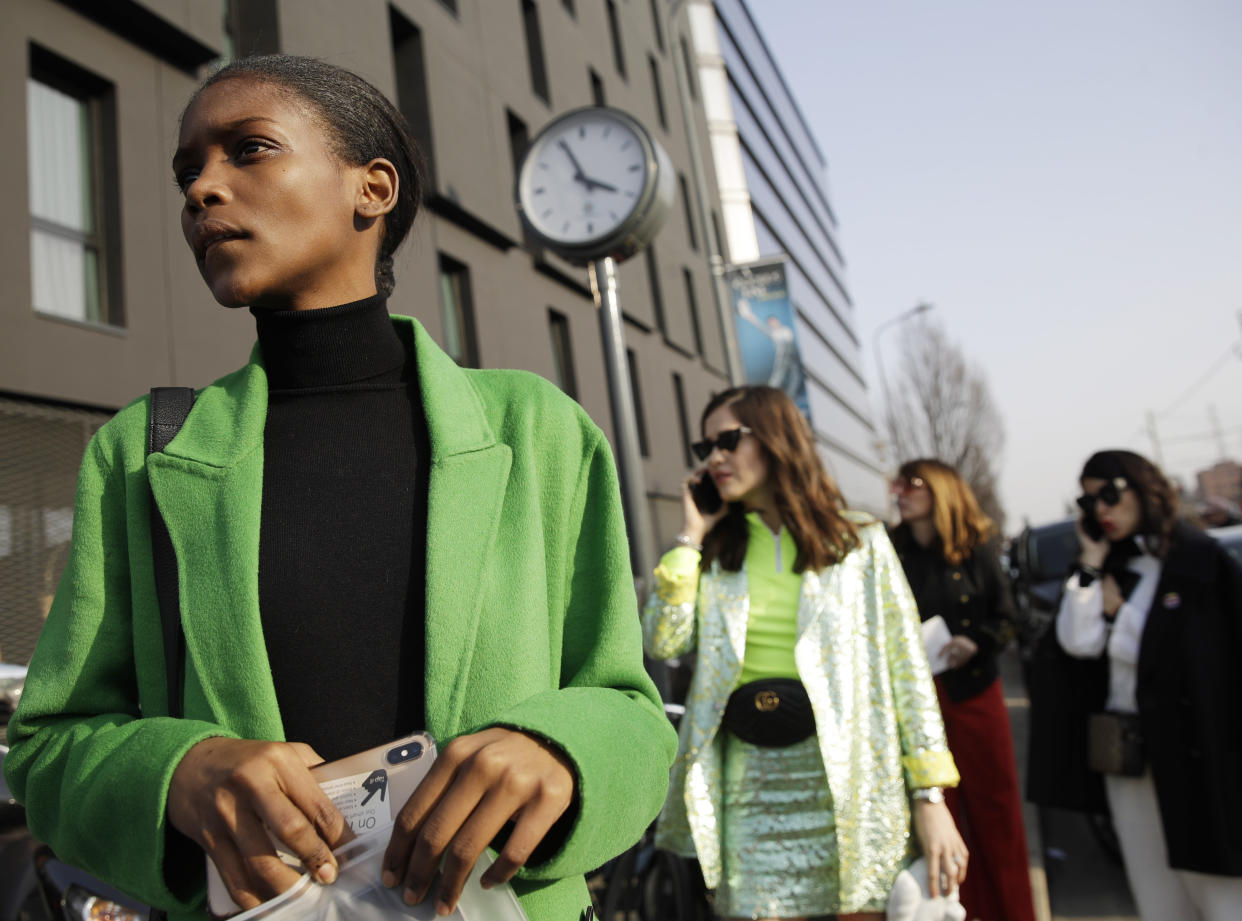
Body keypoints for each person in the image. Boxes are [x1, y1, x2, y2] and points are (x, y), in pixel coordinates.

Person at [3, 55, 676, 921]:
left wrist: (560, 753)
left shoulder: (536, 429)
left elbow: (630, 708)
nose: (203, 189)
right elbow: (47, 748)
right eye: (188, 172)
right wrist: (177, 771)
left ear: (374, 188)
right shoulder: (141, 451)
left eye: (248, 149)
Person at [642, 385, 966, 921]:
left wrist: (930, 798)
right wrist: (689, 537)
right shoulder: (716, 554)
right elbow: (662, 640)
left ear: (776, 438)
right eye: (706, 449)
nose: (715, 457)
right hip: (748, 789)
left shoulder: (859, 541)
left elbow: (908, 671)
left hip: (852, 782)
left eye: (727, 440)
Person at [1056, 449, 1242, 920]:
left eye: (1110, 495)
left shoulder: (1198, 560)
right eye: (1089, 501)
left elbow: (1198, 657)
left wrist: (1124, 615)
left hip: (1198, 756)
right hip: (1132, 760)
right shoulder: (1116, 568)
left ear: (1142, 488)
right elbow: (1078, 643)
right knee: (1158, 898)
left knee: (1220, 896)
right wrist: (1091, 564)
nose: (1101, 509)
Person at [889, 459, 1036, 921]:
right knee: (937, 820)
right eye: (898, 484)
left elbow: (1011, 616)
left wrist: (977, 641)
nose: (900, 492)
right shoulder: (889, 550)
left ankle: (1012, 912)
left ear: (940, 490)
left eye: (912, 484)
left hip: (974, 694)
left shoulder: (974, 548)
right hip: (917, 703)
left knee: (997, 813)